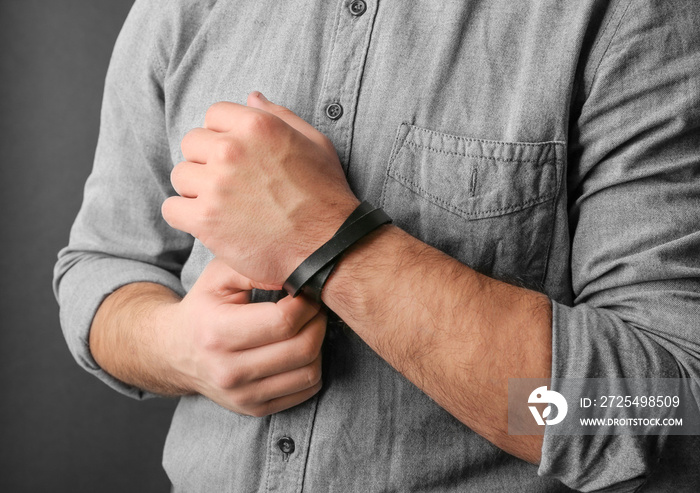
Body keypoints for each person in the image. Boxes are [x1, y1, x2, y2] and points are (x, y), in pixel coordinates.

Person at [54, 0, 700, 491]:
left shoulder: (627, 16)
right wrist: (177, 346)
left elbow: (668, 406)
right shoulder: (178, 9)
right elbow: (103, 264)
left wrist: (329, 242)